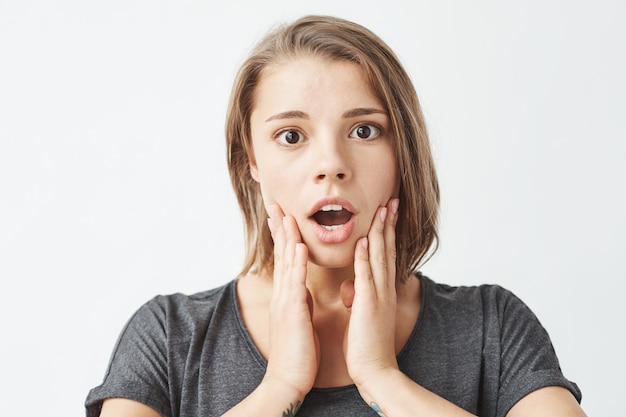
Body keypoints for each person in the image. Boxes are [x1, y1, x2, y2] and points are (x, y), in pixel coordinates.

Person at [85, 15, 586, 417]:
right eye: (291, 136)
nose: (331, 165)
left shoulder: (491, 328)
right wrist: (279, 385)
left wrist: (381, 377)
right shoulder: (168, 337)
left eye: (364, 131)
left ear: (402, 152)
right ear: (251, 161)